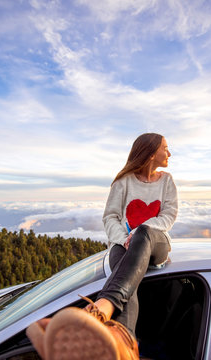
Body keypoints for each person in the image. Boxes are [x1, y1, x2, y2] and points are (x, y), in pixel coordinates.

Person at [26, 133, 178, 360]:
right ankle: (125, 345)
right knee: (128, 282)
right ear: (150, 152)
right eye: (165, 148)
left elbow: (169, 215)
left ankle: (103, 306)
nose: (169, 153)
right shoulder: (123, 181)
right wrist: (125, 239)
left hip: (156, 243)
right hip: (123, 243)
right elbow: (110, 218)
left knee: (144, 233)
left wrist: (137, 233)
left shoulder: (167, 181)